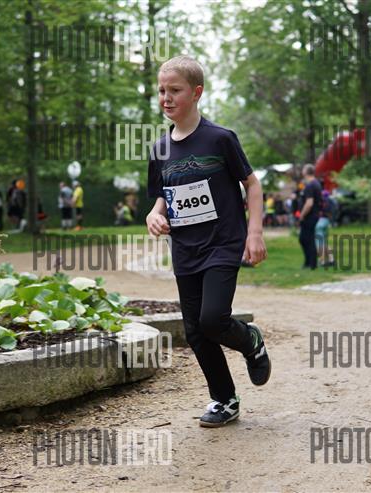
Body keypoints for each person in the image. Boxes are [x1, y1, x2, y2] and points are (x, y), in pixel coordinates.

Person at [146, 56, 271, 428]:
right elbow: (162, 195)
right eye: (161, 91)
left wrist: (254, 232)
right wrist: (154, 215)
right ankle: (224, 399)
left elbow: (252, 184)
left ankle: (250, 341)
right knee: (196, 332)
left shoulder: (220, 138)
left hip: (222, 243)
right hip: (185, 248)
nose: (166, 98)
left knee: (213, 319)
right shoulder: (159, 149)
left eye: (175, 90)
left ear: (196, 92)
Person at [298, 164, 322, 270]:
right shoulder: (317, 183)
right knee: (305, 239)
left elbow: (309, 203)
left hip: (309, 216)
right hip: (314, 215)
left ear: (306, 172)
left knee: (307, 239)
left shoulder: (310, 185)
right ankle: (309, 263)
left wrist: (302, 215)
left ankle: (311, 263)